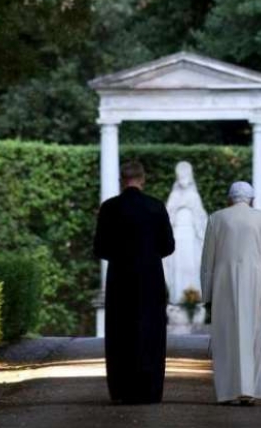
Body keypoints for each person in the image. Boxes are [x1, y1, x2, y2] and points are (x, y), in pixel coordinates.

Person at [93, 160, 176, 404]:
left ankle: (121, 390)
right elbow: (168, 246)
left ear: (122, 180)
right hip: (150, 277)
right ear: (143, 179)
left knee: (120, 332)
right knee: (150, 331)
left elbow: (100, 248)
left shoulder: (109, 208)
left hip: (120, 278)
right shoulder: (156, 206)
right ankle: (149, 390)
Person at [200, 181, 261, 405]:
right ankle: (249, 391)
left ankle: (228, 392)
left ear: (230, 198)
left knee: (225, 336)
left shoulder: (217, 218)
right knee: (252, 335)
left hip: (223, 284)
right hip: (255, 283)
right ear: (251, 199)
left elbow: (208, 262)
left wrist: (206, 295)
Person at [164, 161, 208, 304]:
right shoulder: (174, 196)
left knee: (192, 267)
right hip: (177, 236)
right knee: (177, 268)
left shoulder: (194, 196)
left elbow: (201, 219)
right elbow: (167, 218)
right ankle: (177, 298)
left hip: (191, 237)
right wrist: (177, 207)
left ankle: (193, 298)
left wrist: (191, 207)